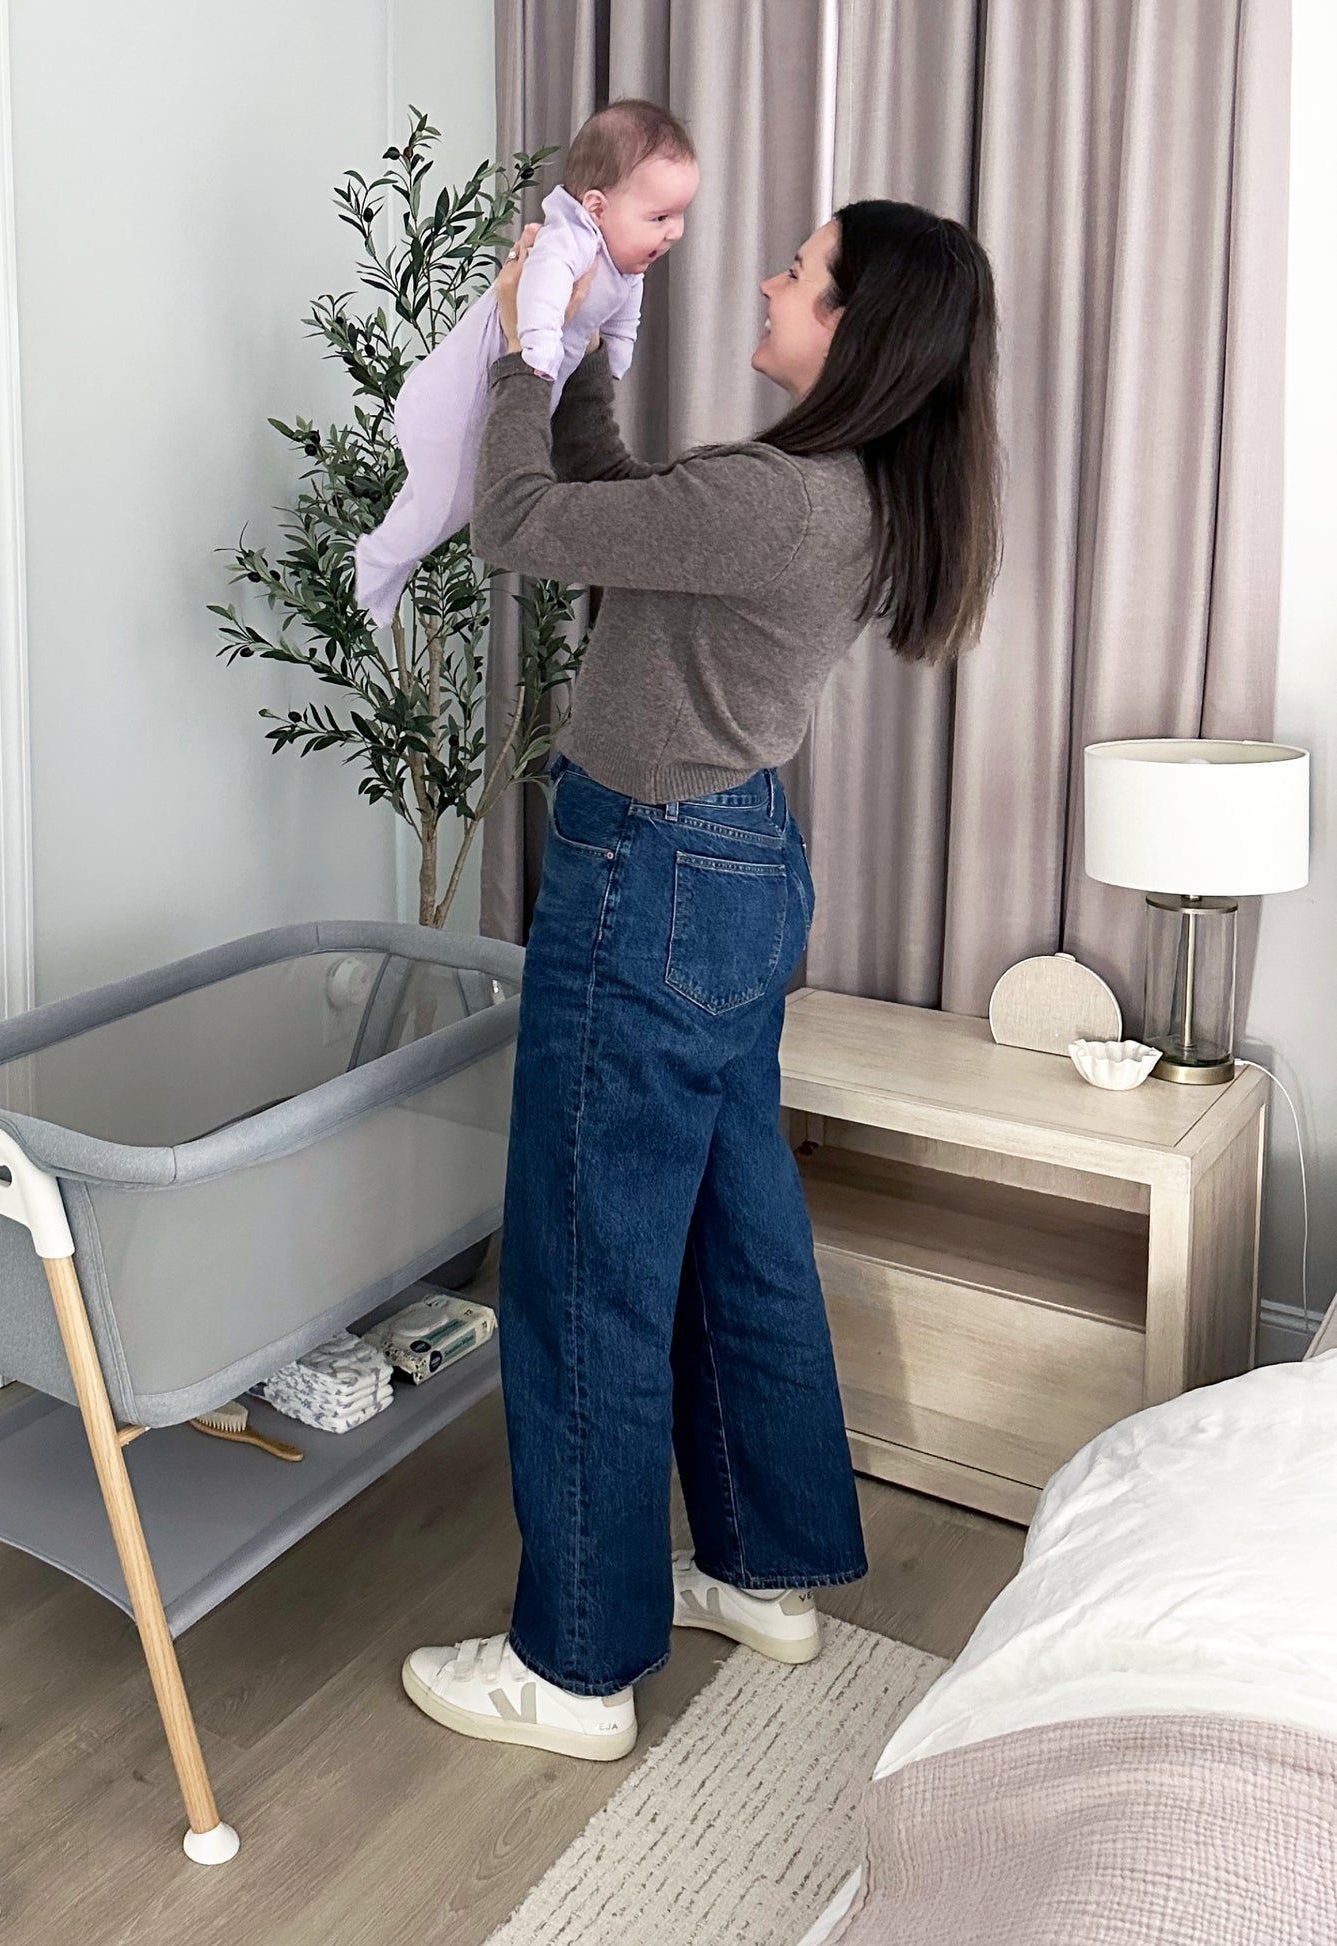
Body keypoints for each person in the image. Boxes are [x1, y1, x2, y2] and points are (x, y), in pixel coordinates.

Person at [402, 200, 1002, 1762]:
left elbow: (520, 525)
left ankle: (574, 1666)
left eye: (799, 273)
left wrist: (530, 345)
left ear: (851, 328)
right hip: (733, 874)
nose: (768, 279)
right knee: (739, 1234)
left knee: (586, 1262)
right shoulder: (837, 493)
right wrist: (601, 350)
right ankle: (761, 1563)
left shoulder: (773, 497)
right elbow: (617, 511)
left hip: (645, 876)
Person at [351, 100, 699, 628]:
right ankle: (375, 566)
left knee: (440, 502)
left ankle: (383, 565)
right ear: (598, 207)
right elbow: (539, 292)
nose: (672, 232)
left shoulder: (626, 263)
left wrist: (613, 362)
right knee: (441, 508)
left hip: (501, 403)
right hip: (454, 401)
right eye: (659, 217)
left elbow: (624, 316)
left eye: (678, 217)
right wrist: (534, 351)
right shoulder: (570, 238)